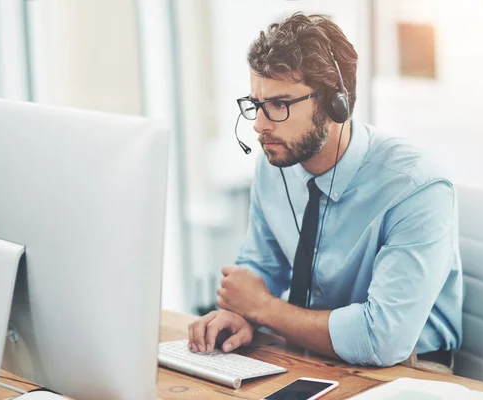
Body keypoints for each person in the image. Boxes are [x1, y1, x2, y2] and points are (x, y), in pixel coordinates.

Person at [188, 12, 462, 371]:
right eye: (256, 104)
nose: (259, 124)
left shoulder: (415, 186)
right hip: (305, 351)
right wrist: (241, 315)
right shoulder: (276, 165)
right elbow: (260, 267)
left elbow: (383, 339)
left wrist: (262, 309)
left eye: (279, 105)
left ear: (336, 104)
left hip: (408, 370)